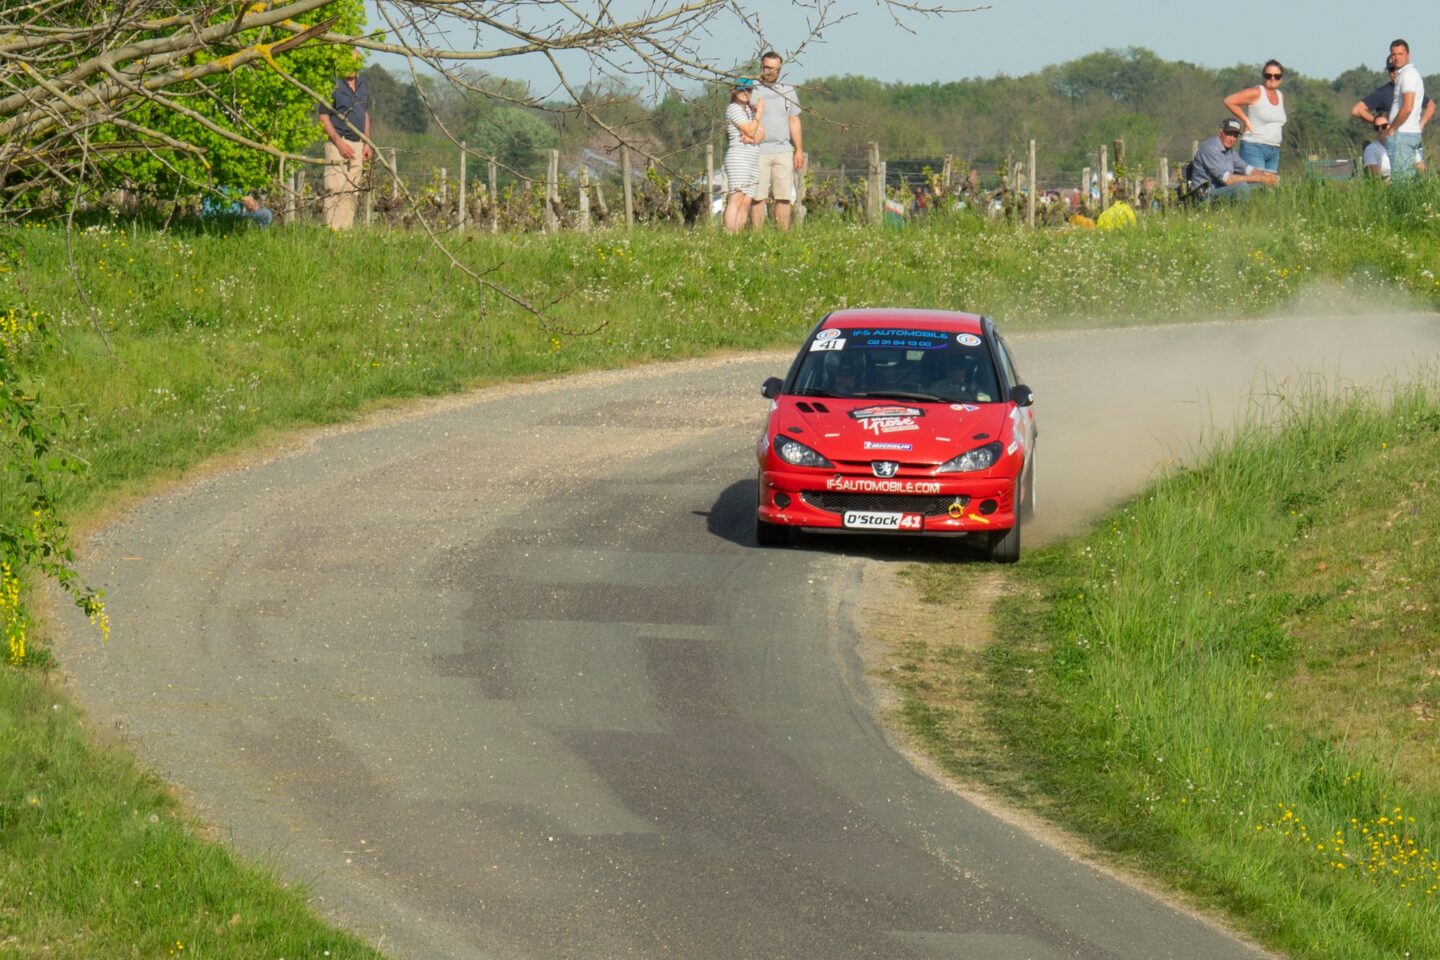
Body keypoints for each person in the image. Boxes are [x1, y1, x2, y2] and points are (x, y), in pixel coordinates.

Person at [749, 51, 804, 231]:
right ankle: (757, 236)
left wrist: (798, 149)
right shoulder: (752, 89)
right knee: (758, 197)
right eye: (767, 68)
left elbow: (793, 120)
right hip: (758, 150)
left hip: (783, 150)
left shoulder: (788, 90)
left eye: (774, 69)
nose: (770, 72)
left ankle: (783, 235)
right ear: (761, 67)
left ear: (780, 69)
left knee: (783, 196)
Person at [1353, 55, 1433, 173]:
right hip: (1391, 140)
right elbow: (1357, 110)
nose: (1394, 72)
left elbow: (1431, 106)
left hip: (1410, 138)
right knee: (1397, 175)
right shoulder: (1382, 93)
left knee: (1421, 175)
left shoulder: (1409, 87)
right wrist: (1380, 123)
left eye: (1397, 69)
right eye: (1391, 70)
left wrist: (1421, 124)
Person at [318, 65, 371, 230]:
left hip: (358, 144)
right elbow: (323, 116)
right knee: (335, 187)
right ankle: (332, 230)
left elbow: (365, 114)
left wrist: (367, 142)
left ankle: (345, 230)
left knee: (352, 190)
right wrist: (339, 143)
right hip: (337, 143)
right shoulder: (332, 85)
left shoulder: (363, 85)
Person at [1189, 118, 1280, 201]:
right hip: (1204, 196)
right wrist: (1260, 178)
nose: (1232, 139)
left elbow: (1247, 169)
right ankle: (1242, 217)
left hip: (1221, 191)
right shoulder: (1210, 149)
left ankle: (1259, 215)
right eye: (1229, 134)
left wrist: (1267, 176)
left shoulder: (1230, 152)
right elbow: (1228, 180)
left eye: (1235, 135)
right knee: (1242, 187)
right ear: (1221, 132)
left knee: (1261, 186)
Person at [1223, 60, 1287, 172]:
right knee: (1256, 186)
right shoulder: (1257, 92)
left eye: (1277, 76)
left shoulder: (1281, 96)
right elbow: (1229, 101)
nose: (1272, 78)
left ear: (1281, 78)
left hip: (1274, 149)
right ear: (1263, 76)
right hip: (1254, 146)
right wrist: (1246, 120)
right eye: (1268, 75)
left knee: (1269, 187)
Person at [722, 79, 763, 233]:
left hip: (752, 157)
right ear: (734, 91)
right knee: (736, 198)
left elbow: (761, 134)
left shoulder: (749, 111)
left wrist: (753, 137)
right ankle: (729, 233)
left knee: (746, 200)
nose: (746, 93)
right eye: (742, 90)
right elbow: (752, 130)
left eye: (749, 90)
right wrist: (759, 113)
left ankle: (737, 234)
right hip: (738, 156)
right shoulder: (733, 109)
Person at [1385, 39, 1425, 181]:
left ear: (1408, 55)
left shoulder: (1408, 75)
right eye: (1393, 54)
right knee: (1406, 180)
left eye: (1400, 54)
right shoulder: (1405, 74)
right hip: (1407, 132)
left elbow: (1407, 107)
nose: (1396, 57)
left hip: (1403, 133)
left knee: (1401, 182)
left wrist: (1392, 129)